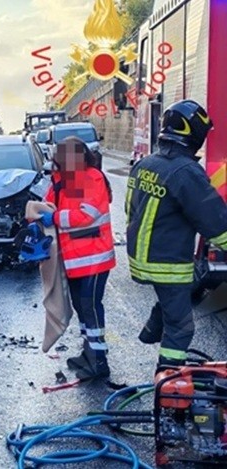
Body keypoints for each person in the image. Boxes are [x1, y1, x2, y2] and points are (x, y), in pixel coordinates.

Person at [126, 100, 227, 369]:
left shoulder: (144, 164)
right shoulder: (186, 172)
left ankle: (152, 327)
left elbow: (129, 209)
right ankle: (169, 379)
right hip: (166, 263)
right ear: (194, 134)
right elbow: (216, 222)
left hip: (141, 257)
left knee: (188, 286)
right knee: (181, 327)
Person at [40, 136, 115, 380]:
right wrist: (36, 218)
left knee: (91, 306)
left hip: (94, 257)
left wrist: (55, 218)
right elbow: (46, 205)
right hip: (73, 262)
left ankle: (99, 360)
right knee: (83, 308)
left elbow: (88, 214)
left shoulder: (92, 177)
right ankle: (88, 352)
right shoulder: (61, 181)